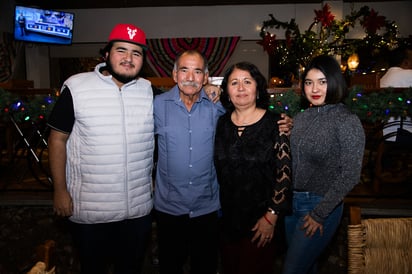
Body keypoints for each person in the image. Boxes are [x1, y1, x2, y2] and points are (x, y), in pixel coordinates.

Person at [153, 50, 293, 274]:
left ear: (206, 77)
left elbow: (283, 171)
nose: (190, 76)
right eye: (184, 70)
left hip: (208, 211)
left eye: (197, 71)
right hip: (171, 209)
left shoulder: (217, 109)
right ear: (174, 74)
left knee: (207, 267)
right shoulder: (157, 106)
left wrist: (286, 122)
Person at [47, 23, 154, 274]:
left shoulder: (149, 91)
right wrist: (60, 190)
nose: (128, 58)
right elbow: (57, 140)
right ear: (106, 54)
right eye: (121, 50)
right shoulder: (76, 87)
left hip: (137, 210)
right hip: (92, 211)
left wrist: (209, 90)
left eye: (136, 53)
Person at [282, 55, 365, 274]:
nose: (314, 88)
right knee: (307, 267)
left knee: (291, 269)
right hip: (292, 204)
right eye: (309, 82)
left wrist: (320, 213)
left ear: (335, 82)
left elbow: (351, 174)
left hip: (320, 205)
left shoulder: (347, 120)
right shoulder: (301, 117)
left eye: (322, 81)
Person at [214, 62, 292, 274]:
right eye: (234, 83)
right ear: (227, 92)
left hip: (262, 220)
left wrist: (271, 216)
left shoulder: (276, 123)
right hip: (228, 220)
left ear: (257, 89)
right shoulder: (220, 123)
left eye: (247, 82)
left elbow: (284, 174)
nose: (241, 88)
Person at [379, 45, 412, 141]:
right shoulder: (409, 74)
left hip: (384, 132)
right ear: (406, 62)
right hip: (403, 132)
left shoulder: (384, 77)